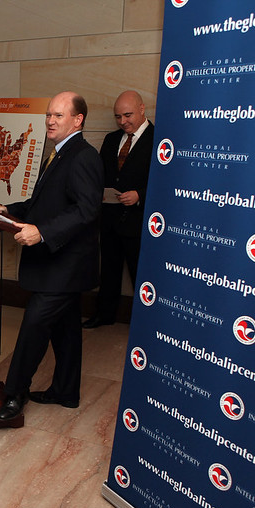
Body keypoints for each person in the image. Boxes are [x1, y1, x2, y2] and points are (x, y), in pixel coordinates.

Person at [0, 91, 103, 420]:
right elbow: (45, 203)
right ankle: (66, 392)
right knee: (65, 329)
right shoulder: (57, 153)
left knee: (34, 325)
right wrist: (9, 209)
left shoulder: (83, 156)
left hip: (66, 265)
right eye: (49, 115)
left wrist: (42, 232)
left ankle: (14, 393)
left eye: (58, 115)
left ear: (78, 120)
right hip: (58, 264)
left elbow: (86, 210)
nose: (50, 121)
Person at [83, 90, 153, 329]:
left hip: (139, 222)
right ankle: (104, 314)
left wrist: (140, 195)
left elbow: (167, 183)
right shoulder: (111, 140)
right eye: (118, 117)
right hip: (110, 219)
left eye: (128, 115)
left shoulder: (159, 140)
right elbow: (101, 175)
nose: (123, 121)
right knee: (109, 271)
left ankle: (145, 324)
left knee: (140, 275)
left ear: (142, 109)